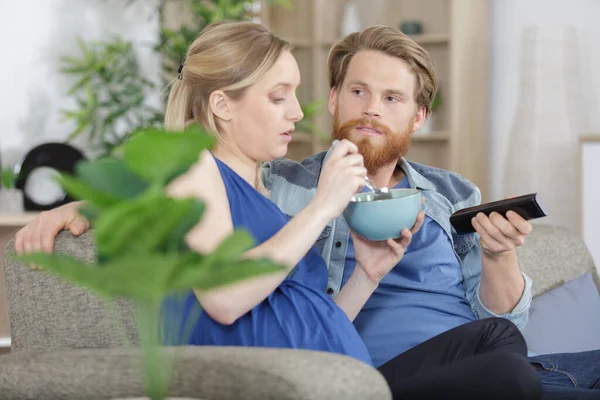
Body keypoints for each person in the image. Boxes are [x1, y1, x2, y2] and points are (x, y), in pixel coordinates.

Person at [14, 21, 543, 399]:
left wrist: (367, 273)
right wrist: (323, 206)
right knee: (518, 380)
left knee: (504, 344)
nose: (297, 112)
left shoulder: (265, 193)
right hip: (325, 381)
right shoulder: (277, 185)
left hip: (342, 372)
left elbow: (310, 320)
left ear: (419, 116)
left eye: (391, 98)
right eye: (280, 97)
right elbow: (220, 292)